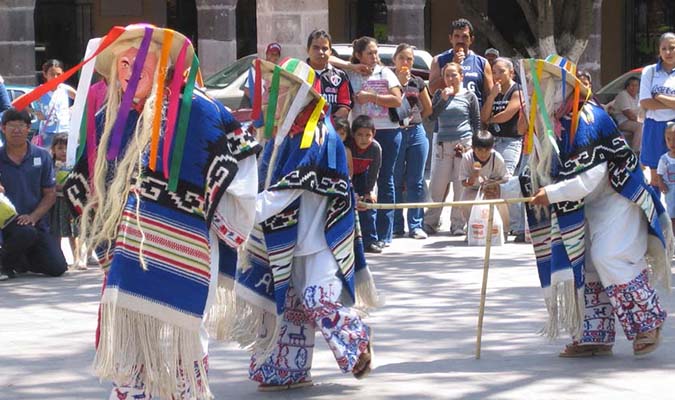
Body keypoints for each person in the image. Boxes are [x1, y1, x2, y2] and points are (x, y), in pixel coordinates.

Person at [5, 24, 261, 398]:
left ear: (164, 66)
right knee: (130, 357)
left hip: (185, 252)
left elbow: (241, 170)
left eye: (139, 62)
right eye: (122, 64)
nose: (128, 71)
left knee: (179, 350)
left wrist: (219, 219)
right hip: (126, 258)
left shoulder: (200, 112)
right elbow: (84, 183)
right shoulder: (111, 120)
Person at [487, 55, 671, 358]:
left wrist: (552, 192)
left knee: (609, 256)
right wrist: (501, 188)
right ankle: (594, 335)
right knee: (582, 264)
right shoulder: (551, 126)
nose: (537, 92)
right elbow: (534, 174)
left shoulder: (590, 118)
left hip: (618, 199)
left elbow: (591, 177)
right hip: (585, 206)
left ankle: (647, 323)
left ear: (564, 87)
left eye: (544, 85)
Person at [230, 57, 379, 391]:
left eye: (277, 89)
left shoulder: (316, 135)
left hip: (323, 239)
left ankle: (357, 340)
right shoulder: (286, 135)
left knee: (317, 299)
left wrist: (239, 213)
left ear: (299, 93)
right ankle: (288, 370)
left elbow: (283, 193)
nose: (270, 94)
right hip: (291, 238)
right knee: (289, 305)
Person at [347, 36, 403, 247]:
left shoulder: (385, 72)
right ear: (359, 55)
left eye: (376, 52)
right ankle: (365, 235)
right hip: (361, 134)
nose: (374, 57)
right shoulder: (350, 74)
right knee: (362, 182)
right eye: (369, 53)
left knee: (385, 180)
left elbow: (397, 99)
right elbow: (330, 62)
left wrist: (372, 97)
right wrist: (350, 65)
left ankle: (384, 233)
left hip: (387, 131)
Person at [0, 108, 67, 280]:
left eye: (21, 126)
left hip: (35, 223)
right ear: (3, 128)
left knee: (58, 267)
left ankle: (20, 260)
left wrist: (33, 216)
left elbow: (50, 194)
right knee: (25, 233)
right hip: (5, 224)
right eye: (11, 126)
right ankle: (4, 265)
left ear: (28, 128)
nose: (16, 130)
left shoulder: (42, 156)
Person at [423, 62, 481, 236]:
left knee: (460, 185)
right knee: (437, 185)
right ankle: (431, 221)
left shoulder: (470, 96)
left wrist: (476, 147)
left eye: (453, 75)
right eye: (447, 75)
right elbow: (432, 116)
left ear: (461, 76)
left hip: (463, 143)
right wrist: (443, 99)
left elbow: (475, 121)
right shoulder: (440, 94)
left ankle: (458, 224)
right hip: (443, 144)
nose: (450, 79)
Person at [480, 57, 525, 242]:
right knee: (491, 182)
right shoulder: (494, 91)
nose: (497, 75)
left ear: (511, 73)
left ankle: (518, 226)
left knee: (506, 181)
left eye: (501, 71)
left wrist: (491, 119)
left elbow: (507, 115)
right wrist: (491, 96)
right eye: (495, 71)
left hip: (510, 141)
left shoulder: (517, 91)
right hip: (493, 141)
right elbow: (483, 115)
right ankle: (498, 225)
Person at [391, 43, 432, 240]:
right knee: (396, 179)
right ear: (394, 60)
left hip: (416, 132)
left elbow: (428, 107)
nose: (406, 62)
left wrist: (415, 120)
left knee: (416, 181)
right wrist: (399, 83)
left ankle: (416, 224)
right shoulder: (388, 80)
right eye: (402, 58)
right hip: (396, 133)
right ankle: (396, 225)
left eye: (409, 59)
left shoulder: (417, 81)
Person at [639, 32, 675, 187]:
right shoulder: (650, 71)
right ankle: (656, 211)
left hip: (674, 128)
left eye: (672, 48)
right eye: (664, 48)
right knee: (655, 180)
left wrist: (659, 96)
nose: (668, 52)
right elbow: (645, 102)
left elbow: (652, 99)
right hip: (653, 127)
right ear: (659, 51)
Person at [428, 18, 493, 104]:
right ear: (450, 38)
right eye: (457, 36)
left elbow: (490, 95)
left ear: (471, 40)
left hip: (473, 114)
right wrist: (453, 64)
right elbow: (432, 90)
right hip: (447, 113)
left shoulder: (482, 63)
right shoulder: (438, 60)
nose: (460, 40)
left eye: (465, 37)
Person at [458, 130, 509, 230]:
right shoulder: (467, 158)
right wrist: (474, 176)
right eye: (480, 150)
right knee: (465, 202)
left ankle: (503, 229)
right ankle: (472, 228)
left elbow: (505, 179)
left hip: (493, 189)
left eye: (487, 150)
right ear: (473, 148)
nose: (483, 154)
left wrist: (493, 184)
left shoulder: (496, 158)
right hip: (474, 189)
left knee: (503, 201)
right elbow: (464, 182)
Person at [47, 133, 84, 270]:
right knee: (57, 231)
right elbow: (47, 182)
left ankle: (77, 258)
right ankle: (58, 257)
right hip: (57, 202)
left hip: (72, 201)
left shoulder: (75, 164)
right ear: (53, 150)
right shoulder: (50, 165)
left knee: (74, 232)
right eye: (60, 148)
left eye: (67, 148)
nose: (64, 152)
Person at [350, 115, 382, 253]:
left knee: (368, 207)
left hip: (364, 175)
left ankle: (370, 240)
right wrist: (351, 190)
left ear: (373, 134)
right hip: (348, 177)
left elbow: (374, 171)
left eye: (368, 135)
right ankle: (349, 242)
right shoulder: (347, 145)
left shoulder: (375, 148)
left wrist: (369, 191)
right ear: (353, 134)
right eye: (360, 135)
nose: (364, 139)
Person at [306, 29, 352, 118]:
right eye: (316, 48)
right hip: (304, 129)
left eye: (325, 48)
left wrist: (329, 122)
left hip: (332, 128)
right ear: (308, 50)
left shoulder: (340, 76)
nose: (320, 52)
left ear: (330, 51)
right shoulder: (298, 74)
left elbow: (345, 106)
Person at [34, 59, 76, 148]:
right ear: (45, 75)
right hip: (47, 132)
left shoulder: (65, 89)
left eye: (58, 74)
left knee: (63, 157)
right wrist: (35, 113)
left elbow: (80, 98)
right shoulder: (40, 90)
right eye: (52, 74)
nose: (56, 77)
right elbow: (22, 103)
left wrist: (71, 109)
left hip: (64, 130)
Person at [612, 76, 643, 153]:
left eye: (636, 85)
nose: (634, 88)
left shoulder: (638, 96)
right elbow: (629, 114)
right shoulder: (623, 95)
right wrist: (641, 121)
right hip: (622, 121)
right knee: (640, 126)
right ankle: (635, 152)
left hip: (634, 120)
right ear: (627, 86)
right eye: (632, 85)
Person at [655, 122, 675, 231]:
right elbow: (659, 173)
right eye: (669, 139)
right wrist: (660, 183)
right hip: (670, 190)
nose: (672, 143)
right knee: (672, 211)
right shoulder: (664, 159)